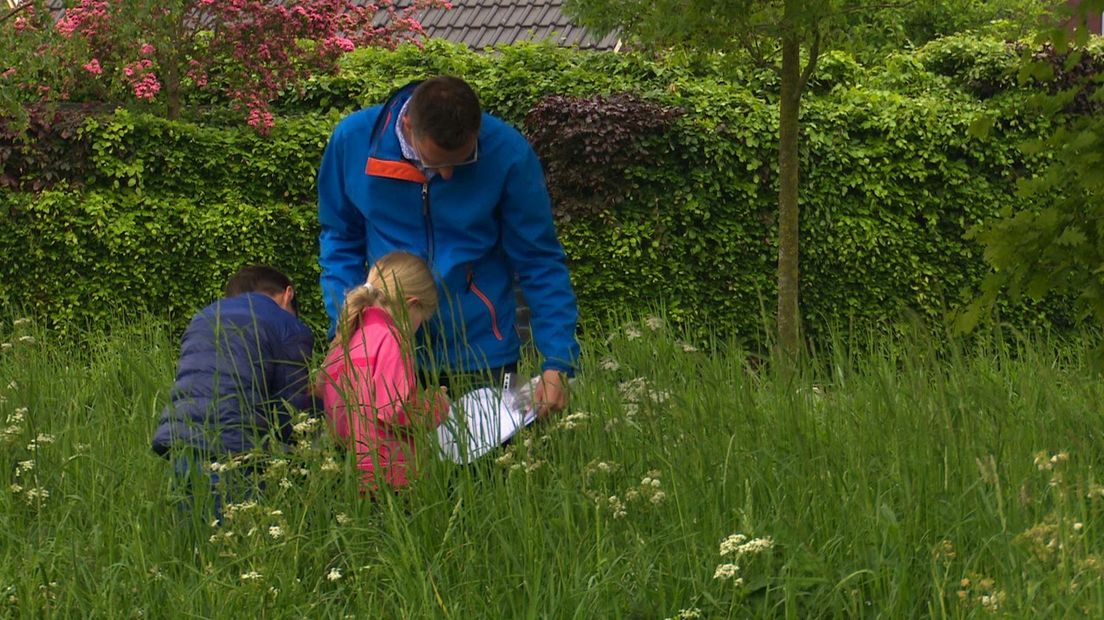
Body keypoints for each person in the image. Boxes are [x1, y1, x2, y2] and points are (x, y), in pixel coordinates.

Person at [317, 75, 580, 417]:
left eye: (461, 162)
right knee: (397, 469)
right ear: (409, 126)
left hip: (484, 354)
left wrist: (558, 361)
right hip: (386, 350)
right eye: (434, 163)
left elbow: (539, 260)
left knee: (493, 467)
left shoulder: (508, 153)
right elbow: (340, 241)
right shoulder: (352, 142)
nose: (447, 176)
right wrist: (347, 326)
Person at [151, 265, 315, 522]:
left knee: (192, 539)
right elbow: (290, 409)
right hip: (237, 444)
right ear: (288, 294)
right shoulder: (288, 326)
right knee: (238, 538)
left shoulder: (202, 317)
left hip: (181, 440)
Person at [318, 251, 449, 490]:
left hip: (353, 468)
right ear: (412, 304)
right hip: (393, 473)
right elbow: (392, 411)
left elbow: (327, 394)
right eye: (423, 318)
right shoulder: (391, 338)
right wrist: (435, 405)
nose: (419, 327)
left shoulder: (351, 332)